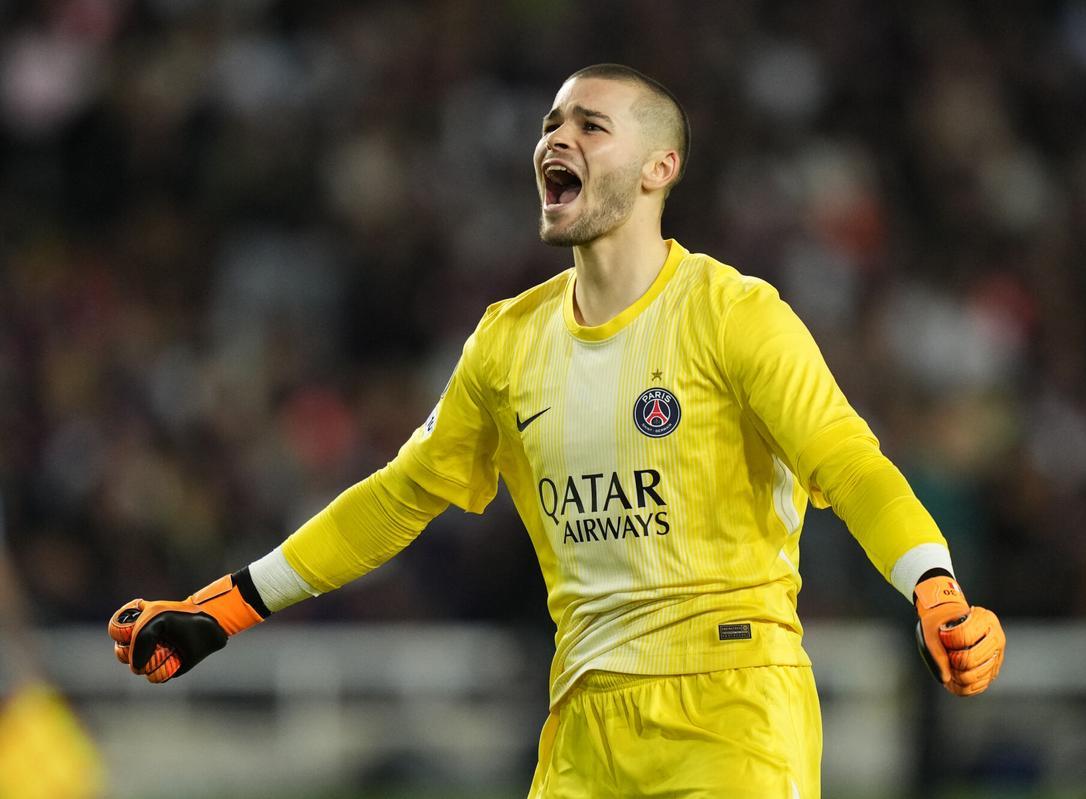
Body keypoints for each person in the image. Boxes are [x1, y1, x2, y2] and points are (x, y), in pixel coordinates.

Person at [109, 63, 1006, 798]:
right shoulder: (507, 344)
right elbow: (395, 498)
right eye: (549, 123)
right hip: (581, 722)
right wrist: (222, 608)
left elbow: (848, 463)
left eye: (590, 125)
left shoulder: (736, 316)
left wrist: (933, 586)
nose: (556, 139)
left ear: (660, 168)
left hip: (732, 711)